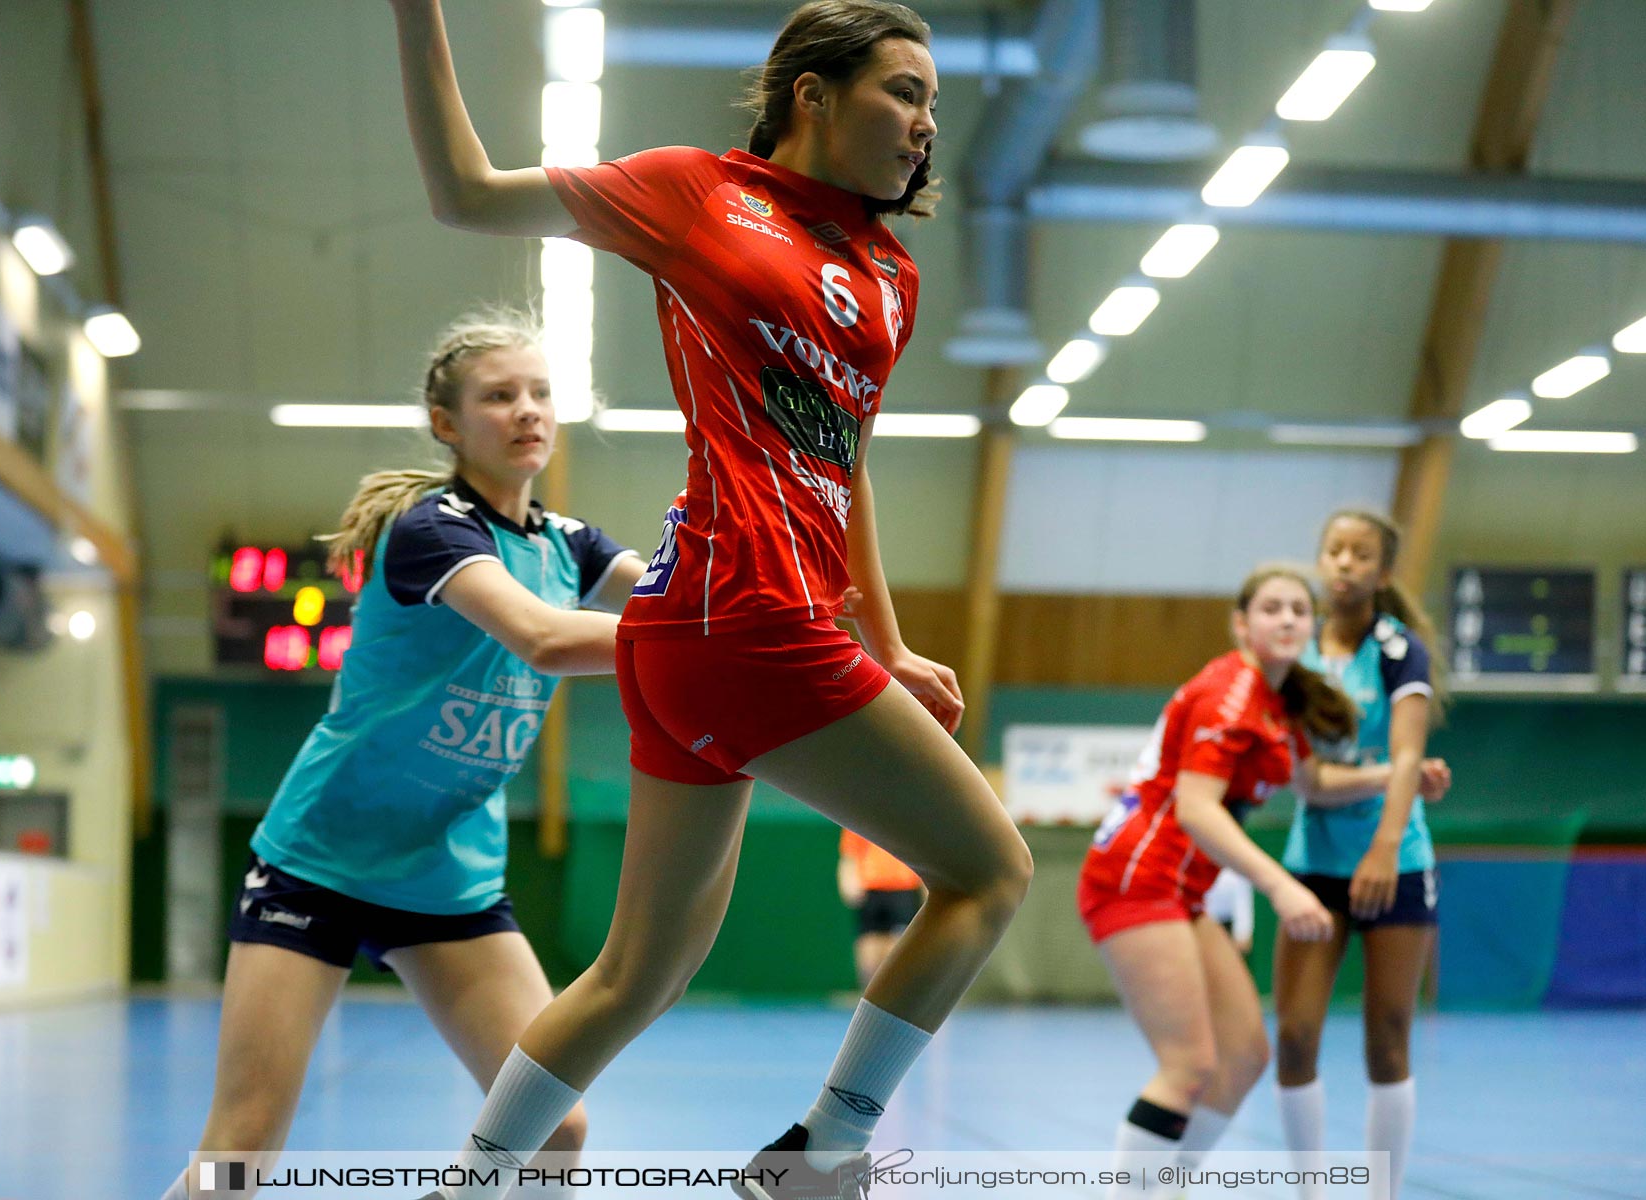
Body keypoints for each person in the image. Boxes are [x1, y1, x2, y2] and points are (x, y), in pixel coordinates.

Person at [387, 2, 1033, 1197]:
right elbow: (467, 193)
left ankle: (464, 1187)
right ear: (815, 94)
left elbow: (843, 464)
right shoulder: (692, 193)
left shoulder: (891, 275)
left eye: (934, 104)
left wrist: (883, 638)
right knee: (991, 875)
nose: (925, 124)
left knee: (636, 975)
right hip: (739, 619)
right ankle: (825, 1153)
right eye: (904, 91)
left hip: (690, 633)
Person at [157, 310, 644, 1200]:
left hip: (445, 876)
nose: (527, 410)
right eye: (500, 396)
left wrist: (798, 619)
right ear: (447, 423)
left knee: (553, 1129)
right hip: (322, 862)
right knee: (243, 1148)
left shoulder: (570, 545)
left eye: (540, 394)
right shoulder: (432, 531)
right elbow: (540, 637)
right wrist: (704, 643)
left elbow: (674, 597)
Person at [1077, 565, 1447, 1197]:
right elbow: (1197, 808)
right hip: (1137, 878)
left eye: (1299, 611)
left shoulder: (1279, 699)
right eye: (1271, 609)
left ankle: (1162, 1184)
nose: (1287, 620)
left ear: (1312, 626)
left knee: (1246, 1055)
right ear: (1241, 624)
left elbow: (1313, 783)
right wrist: (1282, 886)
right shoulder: (1231, 691)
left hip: (1182, 890)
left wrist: (1397, 776)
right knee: (1188, 1065)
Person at [1274, 510, 1451, 1200]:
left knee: (1387, 1040)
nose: (1344, 563)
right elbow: (1308, 781)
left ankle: (1383, 1192)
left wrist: (1383, 846)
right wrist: (1389, 774)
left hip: (1396, 865)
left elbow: (1409, 752)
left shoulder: (1400, 649)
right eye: (1333, 550)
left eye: (1360, 554)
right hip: (1314, 868)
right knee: (1294, 1038)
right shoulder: (1295, 654)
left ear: (1381, 573)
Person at [838, 829, 924, 988]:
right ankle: (869, 995)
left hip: (903, 887)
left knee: (897, 946)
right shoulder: (860, 815)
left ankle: (897, 994)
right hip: (871, 887)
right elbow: (849, 852)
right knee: (869, 945)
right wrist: (847, 878)